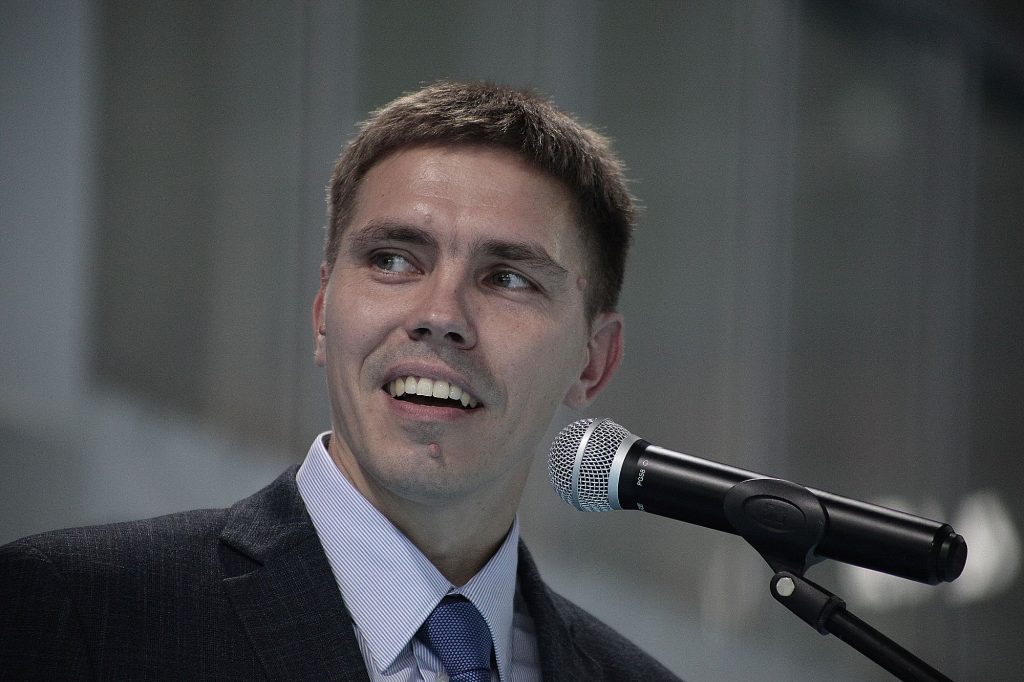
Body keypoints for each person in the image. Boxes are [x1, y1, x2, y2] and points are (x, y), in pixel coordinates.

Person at [0, 81, 681, 681]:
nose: (441, 315)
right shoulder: (83, 612)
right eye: (392, 260)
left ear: (593, 361)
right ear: (323, 312)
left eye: (507, 278)